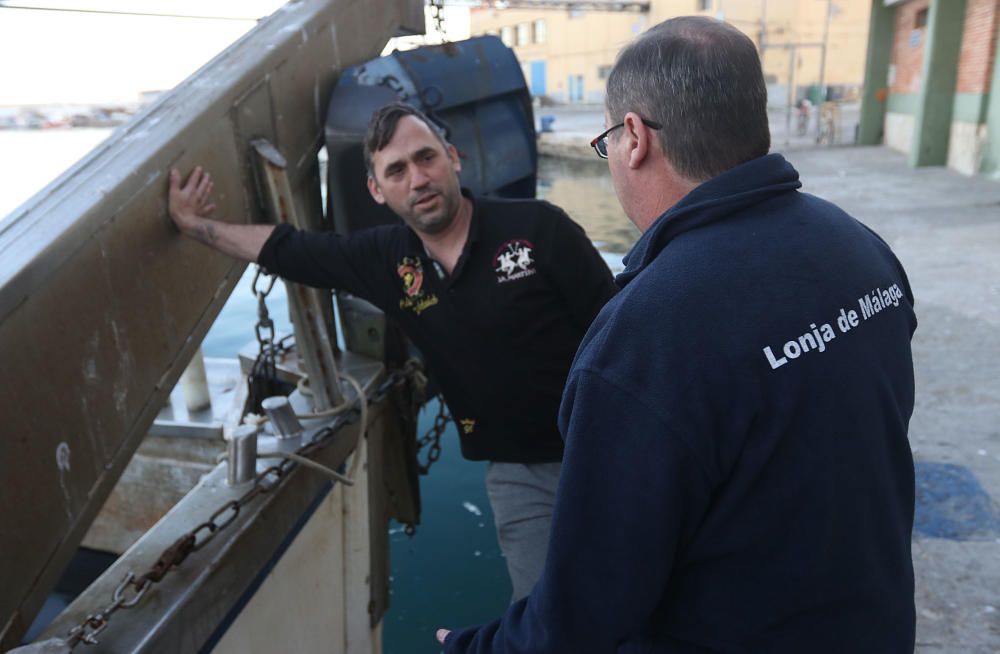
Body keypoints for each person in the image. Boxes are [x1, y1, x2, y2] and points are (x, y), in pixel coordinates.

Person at [437, 16, 917, 653]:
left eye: (607, 142)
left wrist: (471, 647)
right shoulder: (859, 248)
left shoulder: (646, 337)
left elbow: (584, 614)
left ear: (633, 137)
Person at [167, 102, 617, 602]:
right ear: (377, 191)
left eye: (426, 158)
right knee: (546, 617)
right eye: (397, 170)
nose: (418, 178)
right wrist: (194, 227)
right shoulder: (388, 260)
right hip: (520, 473)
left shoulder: (537, 229)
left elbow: (624, 331)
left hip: (606, 445)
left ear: (453, 158)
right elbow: (287, 249)